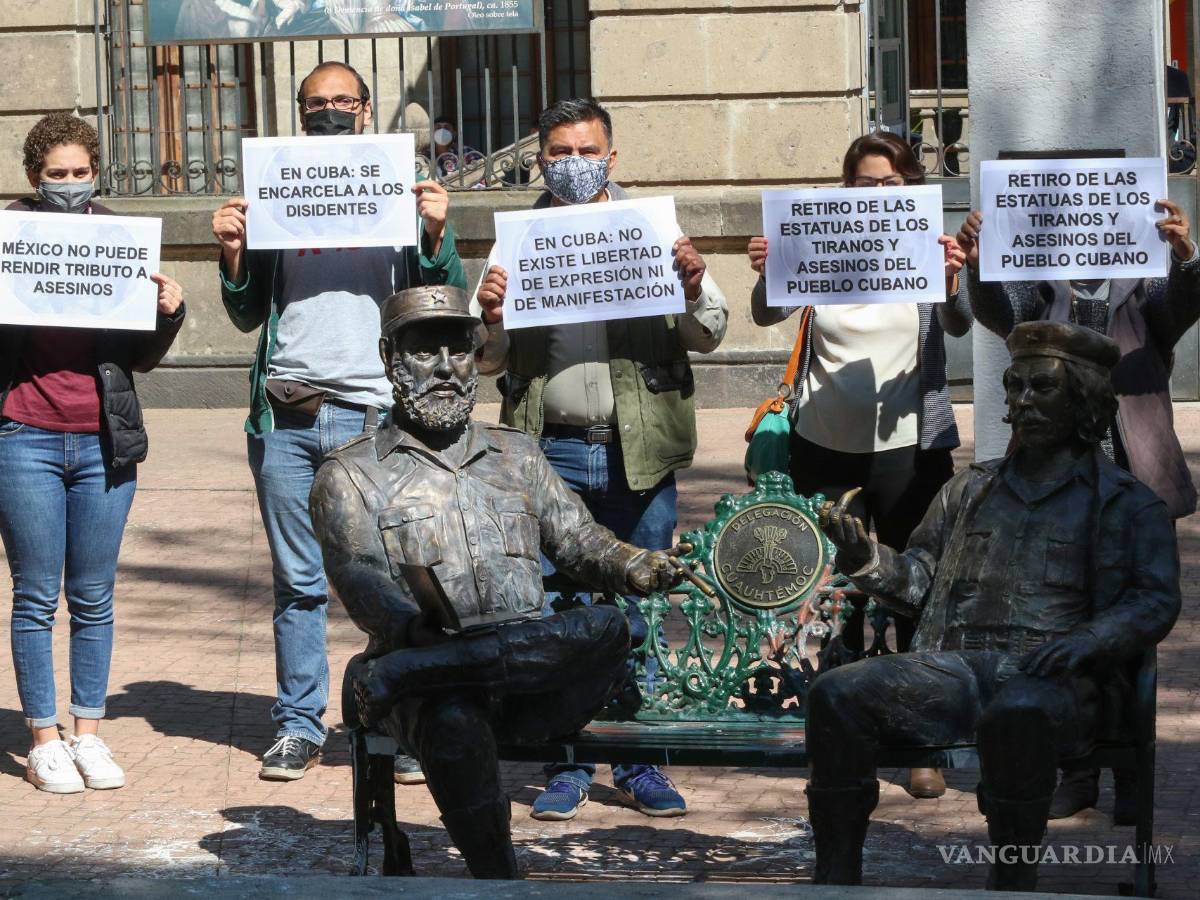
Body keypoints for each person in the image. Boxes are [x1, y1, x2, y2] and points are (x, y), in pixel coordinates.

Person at [311, 284, 682, 878]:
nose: (444, 368)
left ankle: (433, 666)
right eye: (423, 352)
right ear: (389, 359)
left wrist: (634, 564)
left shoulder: (519, 454)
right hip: (426, 692)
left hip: (531, 686)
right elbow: (366, 591)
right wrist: (414, 636)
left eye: (458, 351)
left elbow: (581, 543)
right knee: (454, 717)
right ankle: (499, 880)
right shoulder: (348, 475)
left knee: (610, 624)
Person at [809, 321, 1180, 890]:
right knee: (835, 693)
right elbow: (917, 581)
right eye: (1014, 386)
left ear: (1082, 398)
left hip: (1058, 680)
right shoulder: (967, 490)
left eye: (1041, 387)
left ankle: (1011, 885)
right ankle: (836, 880)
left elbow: (1155, 600)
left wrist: (1088, 641)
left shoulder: (1129, 505)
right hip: (955, 669)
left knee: (1018, 714)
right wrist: (867, 558)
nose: (1021, 401)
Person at [470, 96, 729, 821]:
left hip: (636, 456)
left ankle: (639, 762)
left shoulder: (651, 229)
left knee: (638, 604)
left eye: (587, 152)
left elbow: (710, 329)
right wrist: (487, 317)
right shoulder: (516, 241)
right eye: (559, 152)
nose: (573, 165)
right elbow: (484, 360)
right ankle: (566, 759)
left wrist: (691, 282)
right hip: (547, 454)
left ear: (611, 159)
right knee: (557, 611)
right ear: (540, 158)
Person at [211, 60, 466, 783]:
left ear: (364, 110)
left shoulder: (394, 187)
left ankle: (400, 720)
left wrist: (437, 233)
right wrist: (233, 252)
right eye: (316, 102)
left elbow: (438, 301)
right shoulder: (276, 190)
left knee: (396, 577)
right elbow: (246, 311)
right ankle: (298, 725)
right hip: (289, 415)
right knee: (298, 581)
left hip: (376, 415)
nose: (329, 112)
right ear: (301, 112)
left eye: (342, 102)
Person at [957, 194, 1200, 822]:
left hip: (1133, 484)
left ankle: (1132, 770)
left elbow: (1182, 308)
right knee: (1059, 622)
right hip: (1056, 486)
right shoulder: (1038, 288)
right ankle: (1077, 766)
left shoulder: (1143, 285)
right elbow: (998, 317)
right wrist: (982, 263)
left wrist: (1185, 257)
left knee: (1129, 638)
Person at [747, 131, 970, 800]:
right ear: (846, 190)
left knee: (913, 595)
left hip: (909, 452)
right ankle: (840, 734)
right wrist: (766, 270)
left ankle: (921, 742)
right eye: (867, 185)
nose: (880, 196)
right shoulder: (817, 241)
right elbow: (766, 313)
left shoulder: (926, 245)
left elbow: (958, 325)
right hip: (824, 449)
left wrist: (955, 279)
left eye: (893, 184)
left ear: (910, 188)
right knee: (834, 598)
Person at [0, 113, 186, 793]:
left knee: (95, 596)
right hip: (25, 438)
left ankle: (89, 733)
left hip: (106, 442)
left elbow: (136, 357)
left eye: (82, 174)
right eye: (58, 175)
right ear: (33, 177)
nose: (71, 185)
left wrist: (167, 313)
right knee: (35, 597)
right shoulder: (10, 240)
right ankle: (44, 739)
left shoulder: (118, 239)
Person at [419, 115, 483, 180]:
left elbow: (480, 173)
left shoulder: (466, 152)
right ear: (432, 133)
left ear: (454, 133)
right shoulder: (425, 154)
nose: (442, 131)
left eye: (446, 128)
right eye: (438, 128)